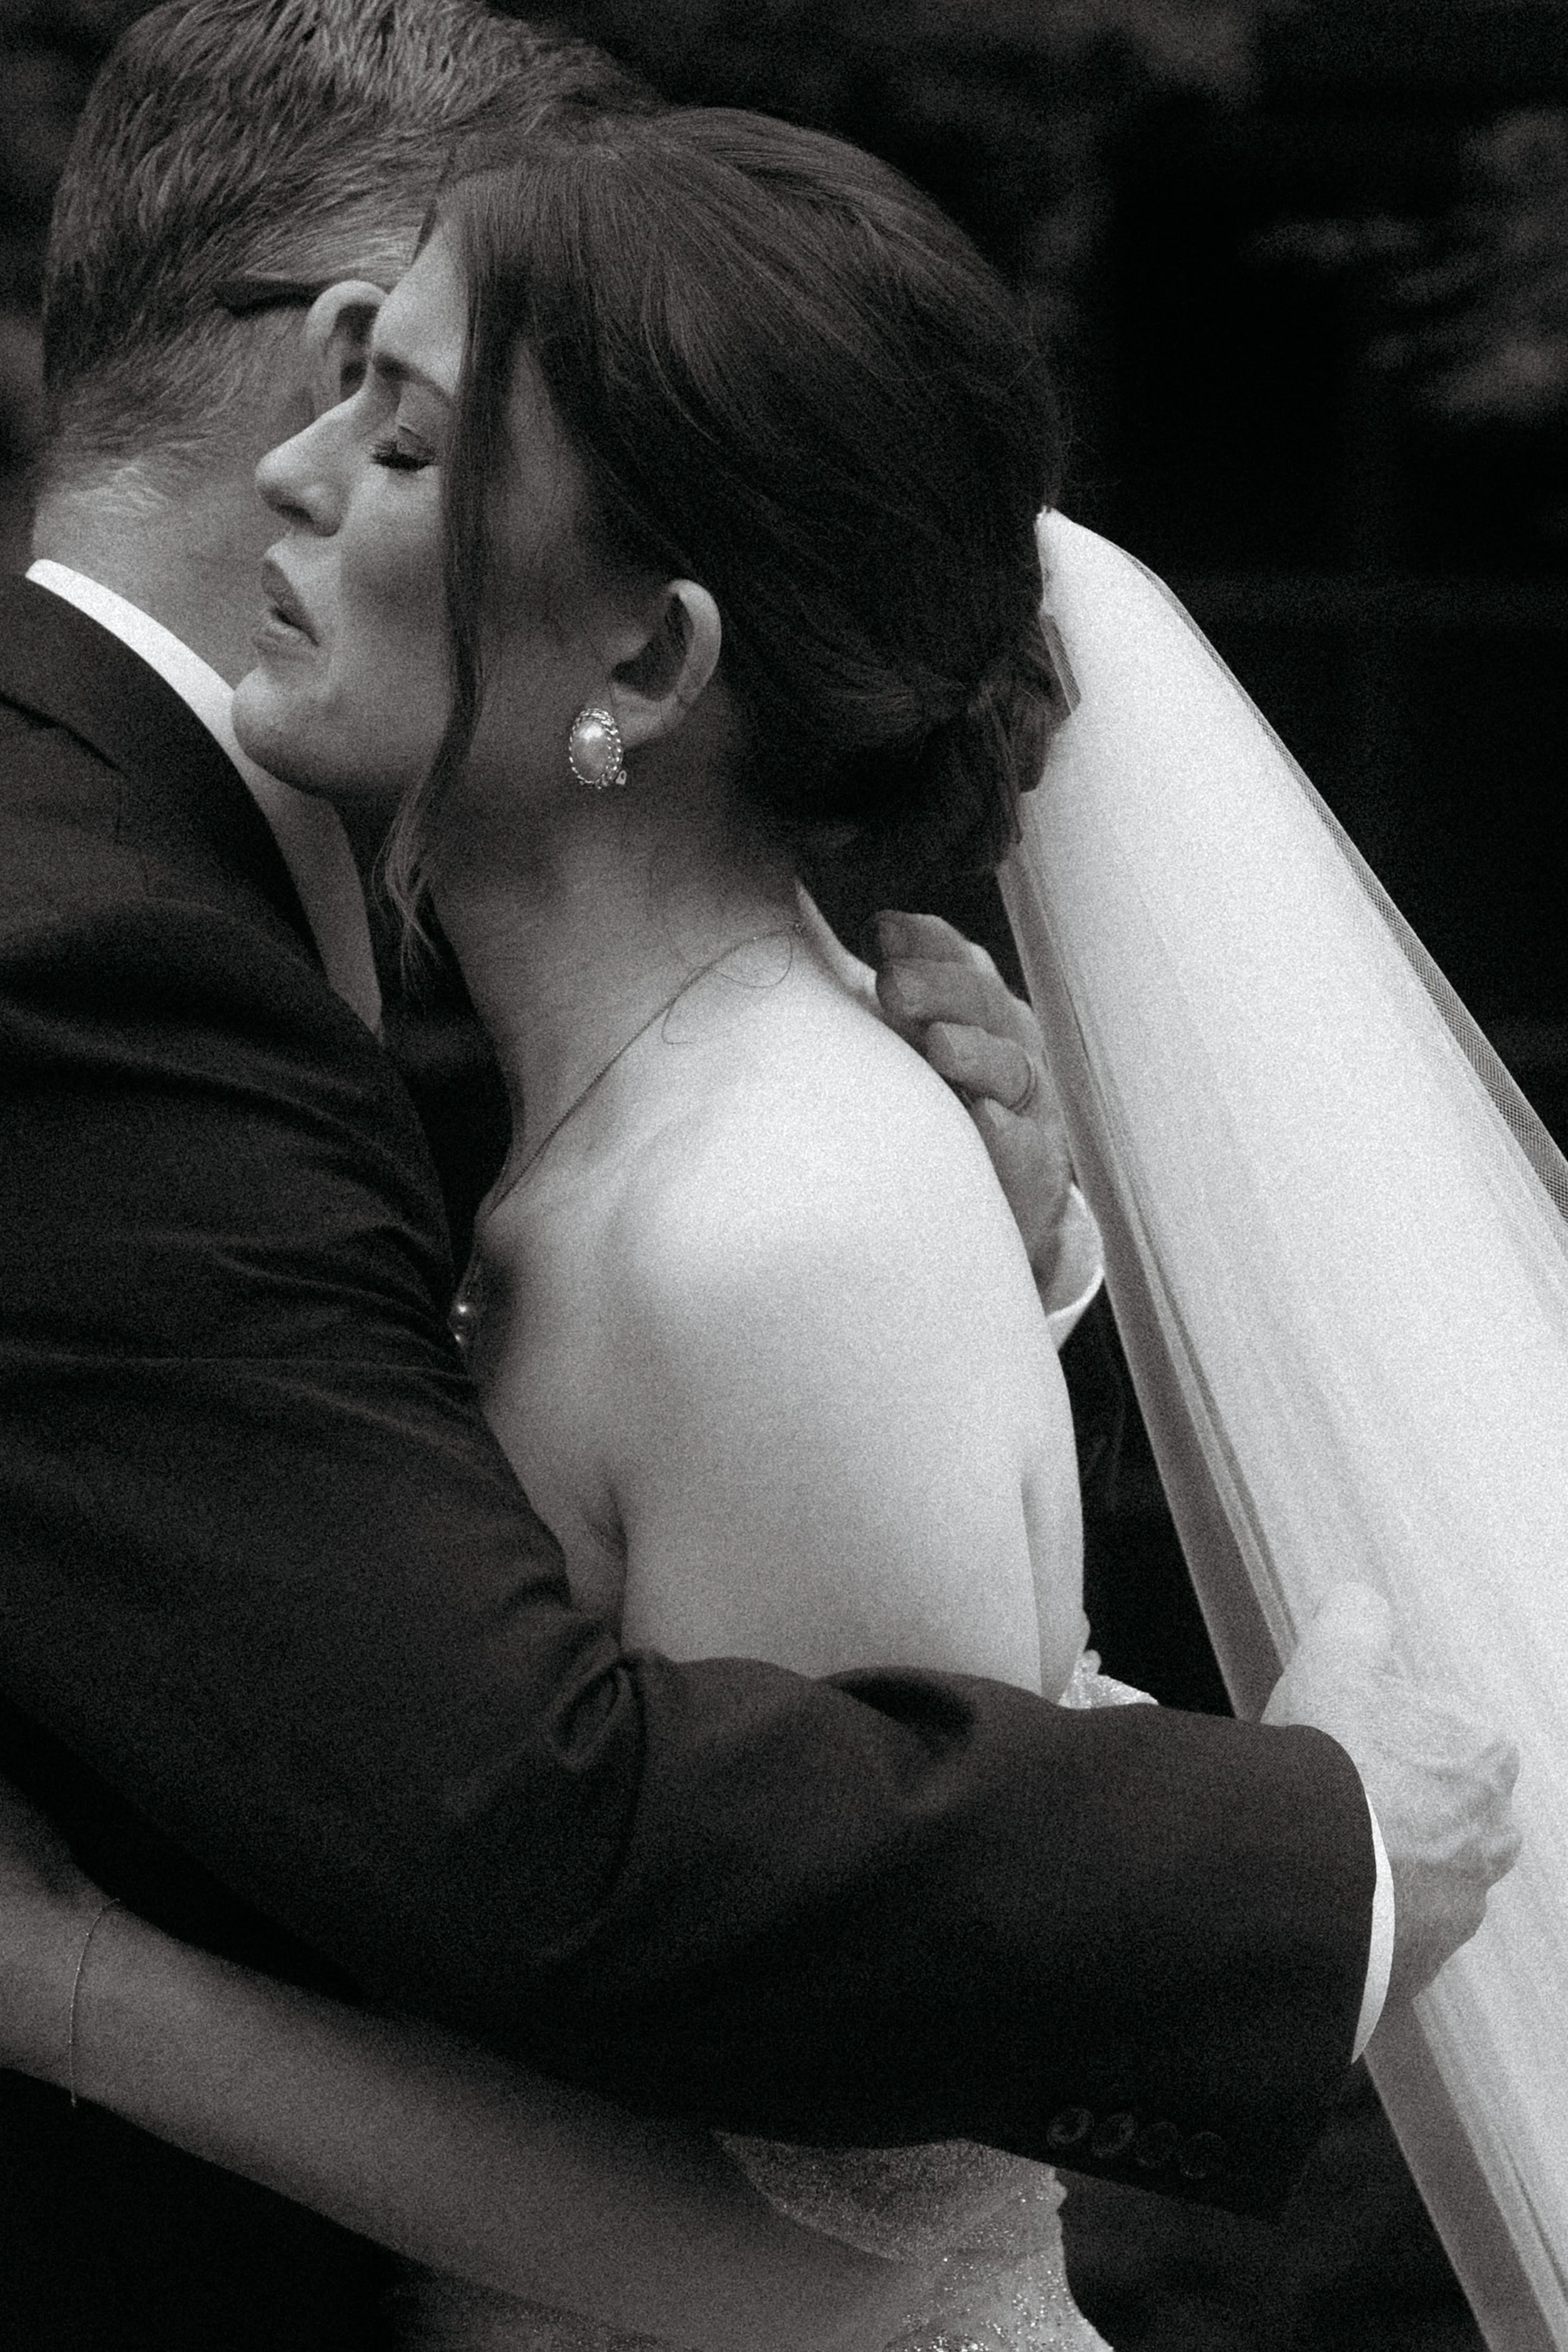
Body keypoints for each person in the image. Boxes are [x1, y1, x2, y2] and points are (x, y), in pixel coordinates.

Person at [0, 4, 1516, 2347]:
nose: (314, 476)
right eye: (353, 402)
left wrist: (66, 1974)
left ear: (649, 653)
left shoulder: (757, 1203)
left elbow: (833, 2235)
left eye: (400, 431)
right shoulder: (280, 1006)